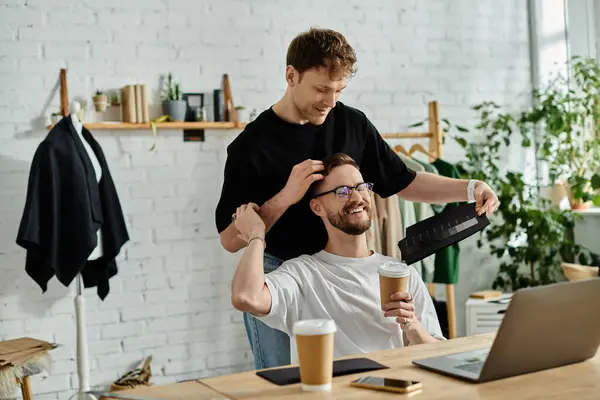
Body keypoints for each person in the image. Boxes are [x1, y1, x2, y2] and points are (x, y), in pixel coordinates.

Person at [215, 27, 499, 369]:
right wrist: (286, 197)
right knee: (283, 380)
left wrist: (469, 188)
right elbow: (231, 239)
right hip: (284, 279)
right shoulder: (251, 146)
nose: (331, 102)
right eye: (321, 89)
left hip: (350, 270)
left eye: (339, 90)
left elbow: (402, 180)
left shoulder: (351, 123)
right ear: (291, 75)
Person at [230, 154, 445, 360]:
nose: (357, 197)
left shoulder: (401, 273)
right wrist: (257, 234)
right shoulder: (302, 275)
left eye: (361, 187)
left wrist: (412, 325)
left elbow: (439, 355)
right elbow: (246, 297)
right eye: (342, 191)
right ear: (317, 207)